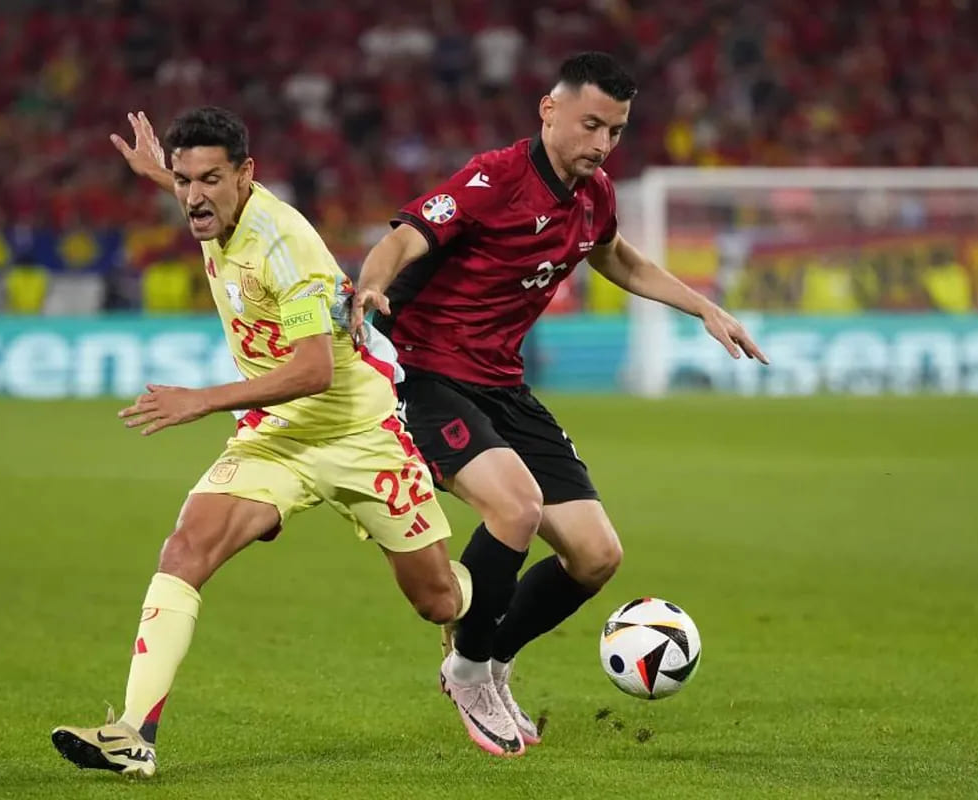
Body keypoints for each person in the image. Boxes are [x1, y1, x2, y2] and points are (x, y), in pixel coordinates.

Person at [350, 52, 768, 754]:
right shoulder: (493, 180)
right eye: (590, 125)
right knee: (515, 507)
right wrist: (368, 288)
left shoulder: (595, 193)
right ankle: (470, 666)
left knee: (596, 555)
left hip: (503, 383)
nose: (602, 143)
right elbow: (405, 239)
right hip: (425, 375)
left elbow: (617, 257)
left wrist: (701, 307)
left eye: (616, 130)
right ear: (550, 110)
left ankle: (491, 655)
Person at [51, 107, 477, 777]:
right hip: (277, 432)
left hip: (359, 432)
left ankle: (474, 607)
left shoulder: (286, 247)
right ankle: (133, 733)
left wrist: (201, 399)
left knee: (438, 603)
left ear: (246, 175)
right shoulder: (208, 205)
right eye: (184, 179)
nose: (193, 195)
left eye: (209, 179)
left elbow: (316, 369)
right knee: (187, 546)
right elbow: (195, 196)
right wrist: (154, 170)